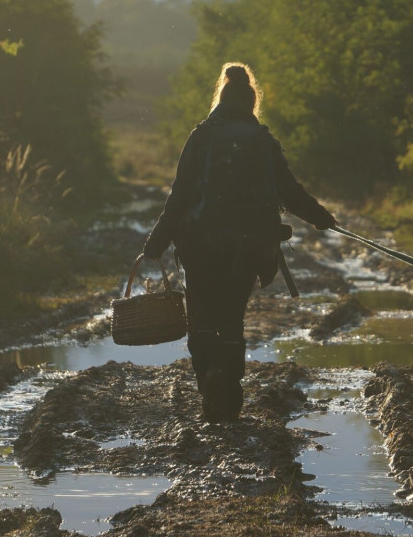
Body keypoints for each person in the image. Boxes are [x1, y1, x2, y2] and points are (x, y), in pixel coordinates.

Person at [142, 62, 336, 422]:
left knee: (200, 316)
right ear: (250, 101)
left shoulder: (200, 136)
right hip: (248, 247)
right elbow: (290, 192)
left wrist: (155, 244)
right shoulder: (262, 140)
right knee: (232, 317)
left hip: (199, 243)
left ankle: (209, 382)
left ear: (221, 97)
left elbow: (180, 196)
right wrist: (322, 218)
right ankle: (228, 393)